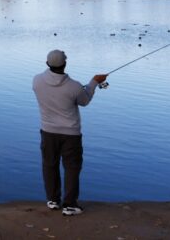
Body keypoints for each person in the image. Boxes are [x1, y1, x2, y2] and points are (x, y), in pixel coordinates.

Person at [32, 49, 108, 216]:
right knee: (72, 168)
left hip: (48, 132)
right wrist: (94, 81)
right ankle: (70, 205)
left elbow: (57, 92)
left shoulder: (36, 81)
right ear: (65, 64)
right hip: (71, 134)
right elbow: (84, 100)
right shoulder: (74, 86)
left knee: (49, 165)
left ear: (47, 64)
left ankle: (53, 200)